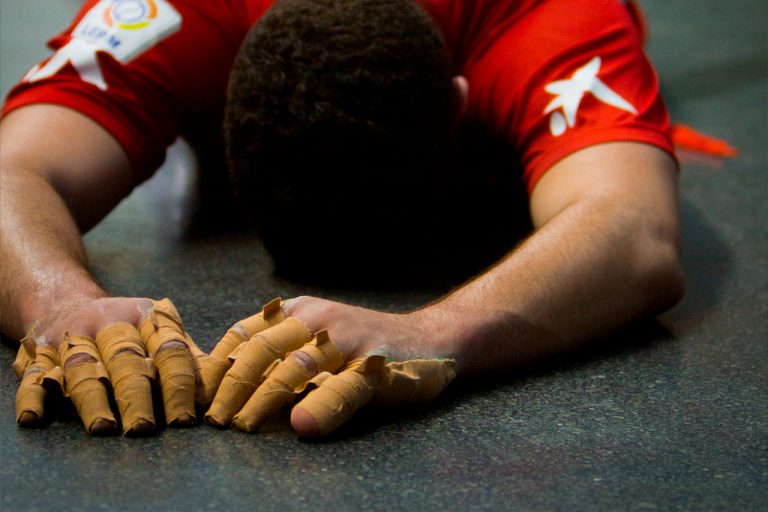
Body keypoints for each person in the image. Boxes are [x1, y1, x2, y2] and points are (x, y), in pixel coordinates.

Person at [0, 0, 684, 437]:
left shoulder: (548, 14)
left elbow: (632, 225)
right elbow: (12, 170)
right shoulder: (182, 11)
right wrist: (56, 300)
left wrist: (432, 333)